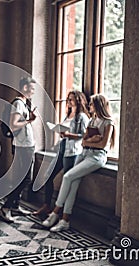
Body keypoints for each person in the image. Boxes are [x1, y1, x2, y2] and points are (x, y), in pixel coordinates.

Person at [45, 94, 115, 232]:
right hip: (84, 153)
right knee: (74, 182)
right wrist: (93, 139)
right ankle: (65, 220)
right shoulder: (92, 121)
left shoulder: (108, 122)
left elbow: (103, 144)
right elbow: (83, 142)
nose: (89, 106)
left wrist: (93, 141)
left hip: (96, 157)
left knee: (67, 176)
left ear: (98, 105)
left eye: (91, 104)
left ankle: (55, 212)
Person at [33, 91, 90, 227]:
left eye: (71, 99)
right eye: (68, 99)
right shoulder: (68, 115)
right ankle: (47, 205)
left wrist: (68, 134)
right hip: (62, 149)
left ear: (78, 100)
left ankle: (61, 215)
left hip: (72, 152)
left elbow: (84, 135)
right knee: (48, 176)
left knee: (67, 183)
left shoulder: (82, 117)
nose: (69, 102)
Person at [0, 77, 37, 223]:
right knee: (26, 178)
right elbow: (13, 125)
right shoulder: (18, 104)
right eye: (32, 89)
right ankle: (5, 208)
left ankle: (15, 206)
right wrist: (30, 121)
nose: (33, 92)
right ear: (25, 88)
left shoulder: (22, 104)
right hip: (23, 146)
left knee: (22, 177)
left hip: (25, 144)